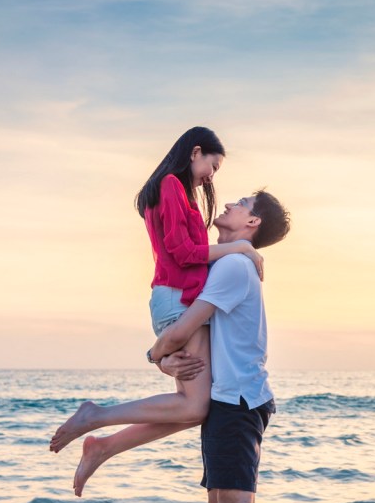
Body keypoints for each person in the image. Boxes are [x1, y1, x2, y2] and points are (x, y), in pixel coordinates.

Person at [77, 189, 292, 503]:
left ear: (252, 222)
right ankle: (103, 442)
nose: (229, 203)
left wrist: (155, 356)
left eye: (241, 204)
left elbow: (183, 328)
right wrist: (165, 359)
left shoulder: (232, 267)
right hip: (230, 398)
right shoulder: (225, 262)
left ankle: (99, 424)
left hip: (239, 400)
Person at [49, 126, 262, 464]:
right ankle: (96, 417)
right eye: (213, 166)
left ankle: (104, 446)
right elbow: (183, 252)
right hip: (177, 299)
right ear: (195, 153)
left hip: (176, 299)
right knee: (194, 406)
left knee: (193, 410)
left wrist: (162, 358)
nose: (211, 178)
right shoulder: (171, 186)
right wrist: (240, 247)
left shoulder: (174, 190)